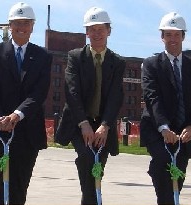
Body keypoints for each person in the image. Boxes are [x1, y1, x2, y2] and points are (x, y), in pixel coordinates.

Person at [0, 2, 52, 205]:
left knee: (18, 192)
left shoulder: (42, 56)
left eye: (26, 23)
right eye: (17, 23)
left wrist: (17, 115)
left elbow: (38, 93)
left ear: (32, 26)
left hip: (27, 135)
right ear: (9, 25)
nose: (21, 27)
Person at [55, 7, 125, 205]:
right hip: (79, 123)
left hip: (103, 125)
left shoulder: (117, 62)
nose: (96, 33)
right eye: (92, 29)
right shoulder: (76, 57)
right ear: (86, 32)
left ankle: (90, 199)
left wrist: (105, 125)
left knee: (98, 164)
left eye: (101, 29)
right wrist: (84, 123)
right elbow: (72, 92)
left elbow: (115, 96)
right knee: (86, 156)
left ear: (108, 31)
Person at [140, 12, 191, 204]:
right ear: (162, 37)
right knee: (162, 164)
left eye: (177, 34)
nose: (173, 39)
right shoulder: (151, 64)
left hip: (184, 133)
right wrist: (164, 127)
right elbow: (152, 97)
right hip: (157, 129)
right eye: (168, 34)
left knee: (178, 175)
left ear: (183, 36)